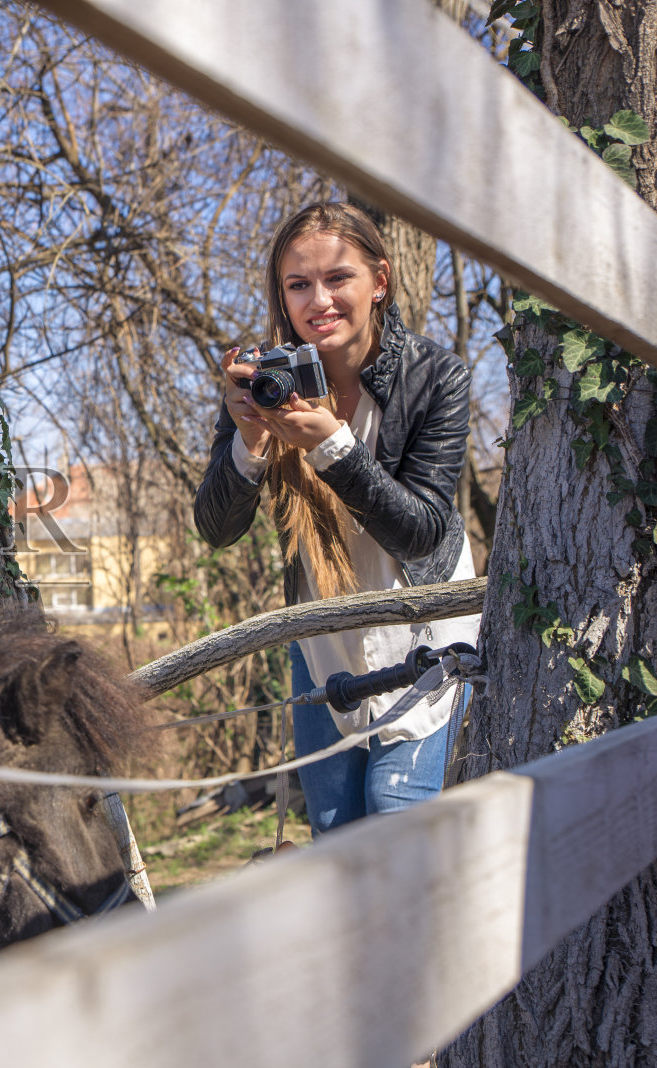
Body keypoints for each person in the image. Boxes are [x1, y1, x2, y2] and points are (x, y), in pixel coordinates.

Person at [193, 202, 479, 834]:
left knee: (398, 819)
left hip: (423, 634)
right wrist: (249, 441)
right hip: (323, 643)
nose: (318, 300)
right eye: (299, 284)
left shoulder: (435, 377)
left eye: (338, 278)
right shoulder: (267, 382)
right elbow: (215, 529)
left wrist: (333, 447)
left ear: (379, 281)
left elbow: (422, 531)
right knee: (335, 835)